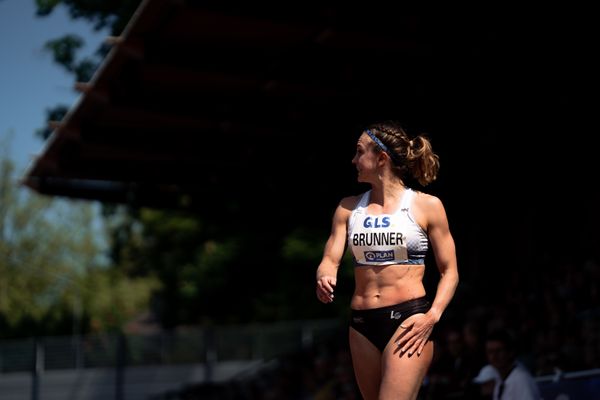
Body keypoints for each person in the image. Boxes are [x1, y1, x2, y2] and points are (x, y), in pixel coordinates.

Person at [315, 121, 459, 400]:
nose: (354, 160)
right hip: (362, 324)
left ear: (381, 158)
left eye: (359, 152)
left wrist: (433, 315)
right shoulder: (348, 207)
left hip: (408, 320)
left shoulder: (426, 205)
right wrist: (324, 274)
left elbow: (450, 271)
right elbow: (329, 258)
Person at [484, 328, 541, 400]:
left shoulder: (521, 380)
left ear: (511, 352)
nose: (494, 356)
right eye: (490, 352)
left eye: (499, 351)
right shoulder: (500, 380)